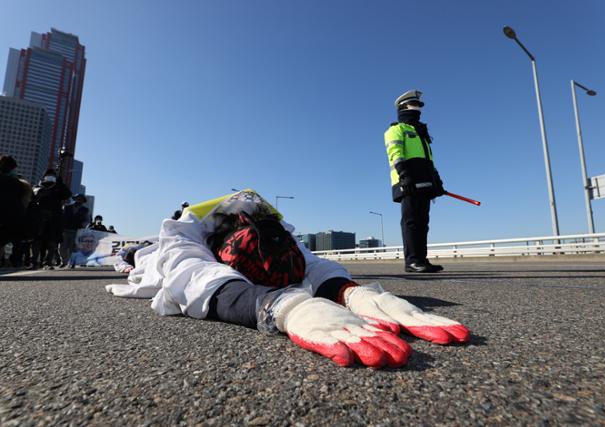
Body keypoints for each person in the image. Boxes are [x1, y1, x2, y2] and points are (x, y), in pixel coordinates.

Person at [106, 190, 470, 369]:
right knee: (141, 256)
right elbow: (192, 277)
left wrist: (352, 294)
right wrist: (281, 305)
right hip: (154, 255)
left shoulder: (276, 230)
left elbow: (310, 265)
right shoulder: (187, 238)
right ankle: (129, 250)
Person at [384, 90, 446, 273]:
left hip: (425, 182)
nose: (418, 109)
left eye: (419, 106)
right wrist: (404, 175)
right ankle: (412, 261)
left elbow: (429, 161)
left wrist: (437, 181)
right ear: (403, 107)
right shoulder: (396, 130)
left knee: (423, 222)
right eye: (415, 105)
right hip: (407, 182)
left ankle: (421, 260)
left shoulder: (421, 133)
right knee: (411, 221)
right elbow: (395, 154)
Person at [29, 169, 72, 269]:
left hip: (54, 217)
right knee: (36, 241)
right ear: (43, 177)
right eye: (48, 175)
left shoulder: (59, 187)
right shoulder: (38, 186)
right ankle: (34, 261)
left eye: (52, 175)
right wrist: (40, 192)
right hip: (40, 217)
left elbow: (68, 194)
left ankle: (48, 262)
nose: (50, 177)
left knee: (52, 241)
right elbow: (33, 198)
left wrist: (60, 183)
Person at [60, 194, 91, 267]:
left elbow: (87, 220)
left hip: (76, 231)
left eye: (81, 199)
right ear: (75, 199)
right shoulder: (66, 207)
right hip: (65, 230)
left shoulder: (85, 210)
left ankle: (72, 262)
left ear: (83, 201)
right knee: (62, 247)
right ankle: (64, 261)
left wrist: (82, 227)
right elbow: (61, 217)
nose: (79, 200)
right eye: (78, 198)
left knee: (73, 248)